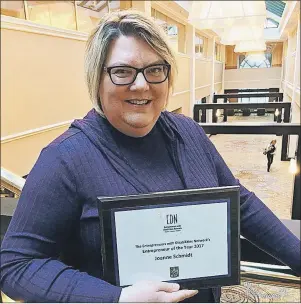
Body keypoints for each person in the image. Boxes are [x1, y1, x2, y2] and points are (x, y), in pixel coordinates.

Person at [1, 10, 300, 303]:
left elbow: (239, 203)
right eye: (122, 71)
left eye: (155, 69)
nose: (141, 84)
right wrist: (116, 298)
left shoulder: (187, 132)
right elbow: (17, 265)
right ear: (97, 79)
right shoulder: (64, 158)